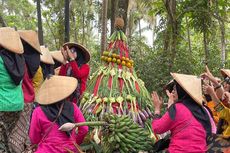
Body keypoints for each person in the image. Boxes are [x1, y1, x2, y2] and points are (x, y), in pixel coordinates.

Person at [151, 73, 212, 153]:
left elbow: (157, 128)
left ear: (181, 91)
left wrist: (157, 109)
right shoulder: (203, 110)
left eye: (175, 89)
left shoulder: (178, 108)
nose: (173, 92)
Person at [29, 75, 88, 152]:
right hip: (69, 150)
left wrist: (37, 143)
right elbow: (84, 129)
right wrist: (76, 143)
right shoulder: (73, 107)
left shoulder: (38, 111)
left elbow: (33, 137)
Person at [9, 30, 42, 153]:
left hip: (20, 99)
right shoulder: (34, 62)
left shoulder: (19, 61)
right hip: (29, 100)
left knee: (15, 135)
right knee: (23, 131)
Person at [0, 27, 25, 152]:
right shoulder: (19, 60)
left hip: (2, 105)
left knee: (2, 143)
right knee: (6, 139)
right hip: (17, 105)